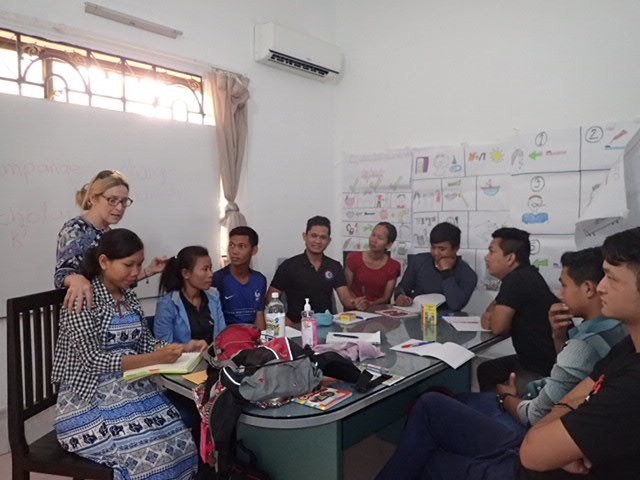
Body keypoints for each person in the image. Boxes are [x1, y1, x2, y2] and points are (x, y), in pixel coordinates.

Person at [376, 228, 640, 480]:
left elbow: (535, 441)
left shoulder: (625, 380)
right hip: (543, 414)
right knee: (434, 403)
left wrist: (506, 399)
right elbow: (570, 394)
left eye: (612, 277)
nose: (602, 286)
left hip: (530, 454)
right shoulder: (625, 347)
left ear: (510, 257)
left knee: (433, 454)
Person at [52, 228, 204, 480]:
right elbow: (92, 361)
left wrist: (181, 347)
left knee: (182, 443)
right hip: (89, 401)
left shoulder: (129, 297)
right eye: (128, 265)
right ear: (104, 262)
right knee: (152, 458)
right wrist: (154, 359)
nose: (136, 272)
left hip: (131, 389)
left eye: (140, 264)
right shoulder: (82, 298)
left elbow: (145, 342)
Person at [458, 247, 626, 435]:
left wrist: (505, 397)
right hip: (554, 401)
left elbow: (535, 416)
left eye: (564, 285)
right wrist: (559, 336)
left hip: (542, 427)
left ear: (588, 288)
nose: (560, 294)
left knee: (444, 404)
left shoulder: (584, 346)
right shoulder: (620, 326)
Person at [55, 170, 167, 312]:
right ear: (94, 198)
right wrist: (76, 278)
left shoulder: (109, 233)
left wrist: (149, 271)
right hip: (84, 312)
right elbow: (62, 275)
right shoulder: (75, 229)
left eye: (124, 201)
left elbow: (113, 279)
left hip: (111, 311)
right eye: (112, 200)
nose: (119, 208)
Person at [478, 227, 558, 392]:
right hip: (533, 360)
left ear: (510, 258)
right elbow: (490, 312)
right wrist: (492, 315)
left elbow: (498, 326)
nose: (487, 258)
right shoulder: (523, 275)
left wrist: (493, 317)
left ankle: (502, 413)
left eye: (492, 252)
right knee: (486, 370)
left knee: (489, 373)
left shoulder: (517, 280)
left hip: (541, 370)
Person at [267, 215, 363, 323]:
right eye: (314, 235)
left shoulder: (334, 266)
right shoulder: (289, 265)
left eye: (323, 237)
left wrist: (356, 302)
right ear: (305, 236)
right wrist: (284, 320)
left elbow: (345, 298)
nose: (318, 241)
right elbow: (270, 298)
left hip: (327, 326)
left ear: (329, 240)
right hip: (295, 327)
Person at [394, 222, 477, 311]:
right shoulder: (418, 261)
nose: (435, 253)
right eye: (433, 247)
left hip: (446, 320)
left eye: (442, 249)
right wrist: (400, 297)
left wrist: (446, 272)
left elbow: (455, 305)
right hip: (416, 316)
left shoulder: (468, 275)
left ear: (456, 248)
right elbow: (402, 288)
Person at [154, 245, 226, 345]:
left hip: (213, 358)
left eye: (210, 268)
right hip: (183, 359)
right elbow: (163, 346)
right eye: (205, 269)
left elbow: (222, 335)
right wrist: (187, 348)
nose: (211, 274)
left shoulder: (213, 295)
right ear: (186, 273)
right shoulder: (167, 304)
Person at [213, 226, 267, 330]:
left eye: (241, 246)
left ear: (254, 250)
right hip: (227, 337)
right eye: (231, 245)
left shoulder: (259, 280)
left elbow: (259, 315)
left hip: (252, 337)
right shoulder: (218, 279)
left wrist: (263, 341)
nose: (234, 251)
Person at [345, 222, 401, 305]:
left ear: (388, 245)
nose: (373, 240)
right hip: (354, 308)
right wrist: (356, 301)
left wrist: (370, 304)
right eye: (373, 235)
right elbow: (346, 289)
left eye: (380, 238)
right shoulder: (353, 258)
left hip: (379, 310)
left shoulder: (393, 266)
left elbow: (386, 298)